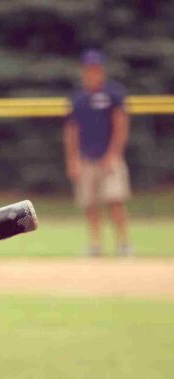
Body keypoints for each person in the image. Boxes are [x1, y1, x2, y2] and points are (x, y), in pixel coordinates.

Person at [64, 49, 132, 257]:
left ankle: (123, 244)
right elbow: (71, 131)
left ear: (101, 70)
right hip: (86, 158)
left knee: (115, 200)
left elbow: (121, 125)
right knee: (90, 204)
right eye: (88, 69)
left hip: (109, 158)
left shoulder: (114, 94)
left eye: (95, 68)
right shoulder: (78, 98)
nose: (92, 72)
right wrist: (73, 159)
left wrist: (113, 154)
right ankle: (96, 245)